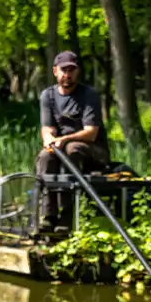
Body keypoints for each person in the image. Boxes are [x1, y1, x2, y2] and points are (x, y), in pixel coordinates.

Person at [36, 50, 109, 227]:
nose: (67, 75)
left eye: (71, 71)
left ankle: (68, 217)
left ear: (77, 72)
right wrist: (48, 139)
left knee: (72, 149)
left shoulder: (89, 95)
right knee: (45, 156)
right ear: (55, 71)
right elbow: (47, 128)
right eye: (64, 70)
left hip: (93, 151)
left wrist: (64, 139)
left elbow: (91, 132)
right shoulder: (48, 96)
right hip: (61, 147)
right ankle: (48, 216)